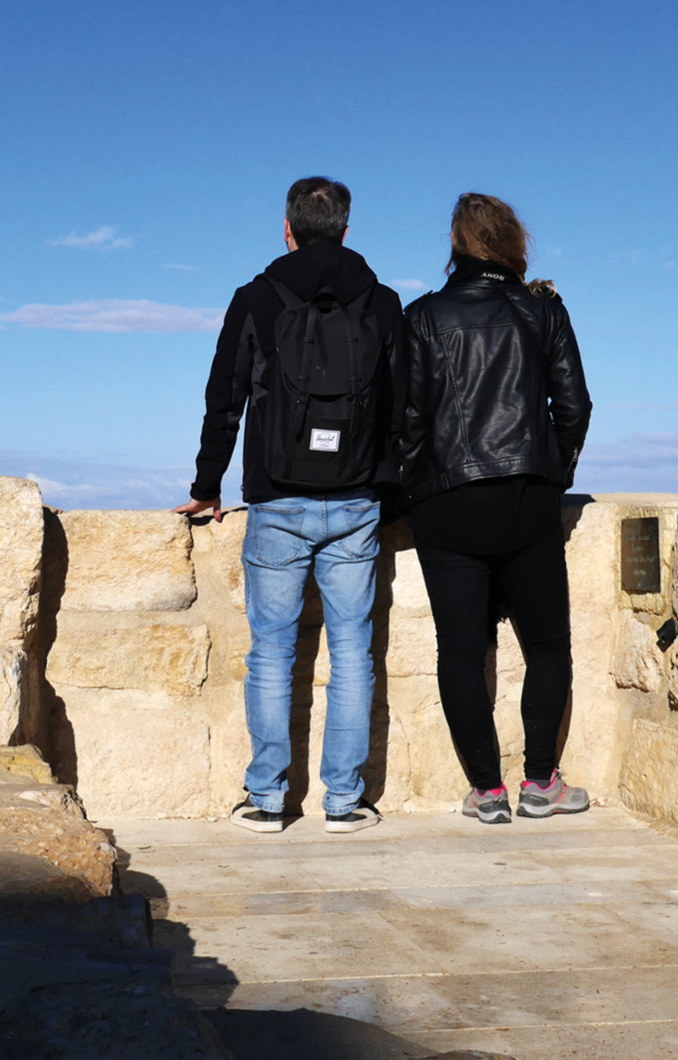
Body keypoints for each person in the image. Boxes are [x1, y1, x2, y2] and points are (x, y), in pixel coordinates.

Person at [174, 177, 403, 834]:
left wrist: (208, 484)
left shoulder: (256, 299)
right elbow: (405, 406)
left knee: (272, 652)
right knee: (354, 654)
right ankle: (344, 801)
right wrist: (392, 489)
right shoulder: (382, 303)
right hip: (357, 499)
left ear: (287, 228)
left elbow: (224, 399)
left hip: (276, 499)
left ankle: (269, 800)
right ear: (346, 231)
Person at [393, 193, 591, 825]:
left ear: (455, 242)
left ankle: (487, 791)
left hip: (446, 506)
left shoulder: (423, 315)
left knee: (459, 651)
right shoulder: (542, 311)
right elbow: (576, 407)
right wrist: (549, 473)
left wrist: (418, 489)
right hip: (527, 500)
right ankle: (540, 782)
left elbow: (408, 420)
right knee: (547, 644)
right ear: (512, 242)